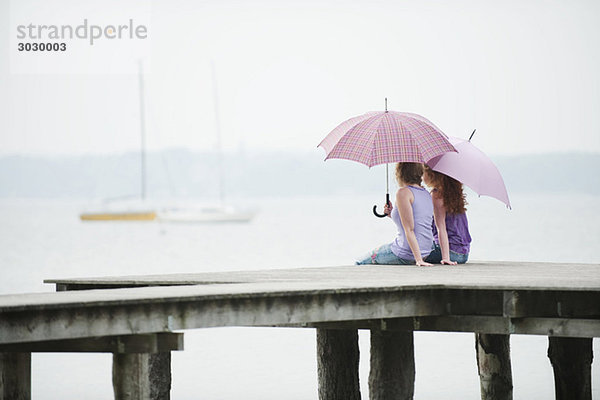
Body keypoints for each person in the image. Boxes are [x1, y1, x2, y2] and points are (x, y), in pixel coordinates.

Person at [356, 162, 434, 266]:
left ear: (400, 173)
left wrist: (418, 260)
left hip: (406, 253)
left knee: (360, 261)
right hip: (426, 251)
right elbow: (417, 221)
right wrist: (391, 214)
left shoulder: (403, 193)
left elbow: (410, 229)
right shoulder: (426, 193)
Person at [422, 165, 471, 265]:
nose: (422, 177)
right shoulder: (453, 193)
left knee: (409, 250)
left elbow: (441, 228)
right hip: (463, 254)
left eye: (423, 173)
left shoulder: (437, 195)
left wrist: (446, 258)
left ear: (432, 175)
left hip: (450, 253)